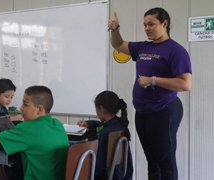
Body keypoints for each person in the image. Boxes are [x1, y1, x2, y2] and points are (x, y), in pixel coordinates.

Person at [108, 7, 192, 180]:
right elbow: (118, 45)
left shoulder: (176, 50)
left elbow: (185, 84)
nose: (147, 28)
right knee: (152, 160)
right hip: (143, 112)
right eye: (145, 25)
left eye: (151, 24)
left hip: (164, 110)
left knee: (165, 161)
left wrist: (153, 80)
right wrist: (115, 29)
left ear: (164, 23)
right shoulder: (143, 47)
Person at [0, 85, 69, 180]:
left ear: (39, 109)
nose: (21, 108)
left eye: (25, 104)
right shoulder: (58, 124)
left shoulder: (26, 128)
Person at [77, 90, 133, 180]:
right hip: (119, 173)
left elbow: (99, 165)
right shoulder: (119, 123)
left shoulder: (106, 133)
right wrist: (88, 123)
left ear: (101, 109)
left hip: (106, 176)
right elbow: (101, 124)